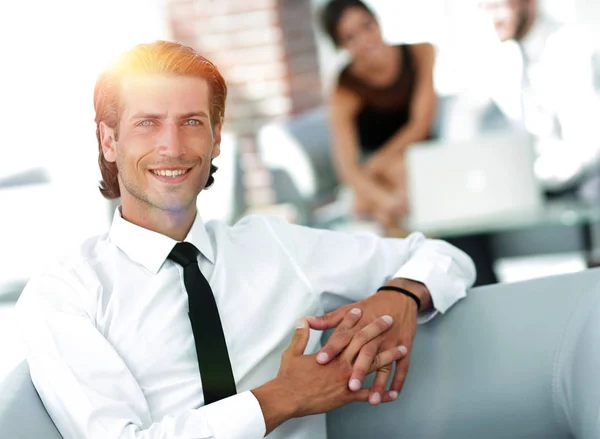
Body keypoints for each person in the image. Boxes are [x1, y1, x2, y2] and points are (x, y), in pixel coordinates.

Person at [15, 40, 475, 439]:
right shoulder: (66, 292)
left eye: (192, 122)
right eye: (147, 123)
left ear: (217, 139)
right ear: (109, 141)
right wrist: (283, 397)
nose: (172, 146)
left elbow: (444, 256)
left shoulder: (273, 247)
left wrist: (401, 295)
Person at [447, 0, 600, 197]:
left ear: (529, 3)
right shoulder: (505, 56)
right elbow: (463, 122)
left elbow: (587, 148)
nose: (491, 18)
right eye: (484, 7)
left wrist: (529, 177)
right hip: (532, 190)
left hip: (582, 190)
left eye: (497, 7)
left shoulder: (571, 48)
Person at [321, 0, 436, 233]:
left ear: (377, 22)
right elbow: (347, 165)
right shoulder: (344, 90)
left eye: (367, 26)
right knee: (378, 198)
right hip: (375, 168)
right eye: (350, 37)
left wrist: (375, 167)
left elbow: (419, 126)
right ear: (341, 45)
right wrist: (384, 199)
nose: (365, 39)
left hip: (418, 154)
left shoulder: (421, 52)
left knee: (398, 172)